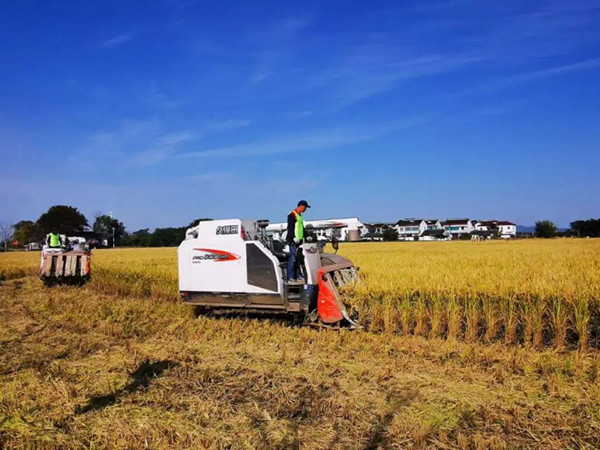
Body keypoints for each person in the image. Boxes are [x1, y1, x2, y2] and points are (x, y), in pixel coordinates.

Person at [286, 200, 310, 281]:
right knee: (293, 258)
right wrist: (293, 237)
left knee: (298, 259)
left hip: (299, 241)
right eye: (305, 207)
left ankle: (298, 275)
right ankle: (290, 277)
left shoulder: (300, 216)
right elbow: (290, 227)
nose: (305, 209)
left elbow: (301, 228)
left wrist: (306, 236)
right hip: (293, 240)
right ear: (301, 206)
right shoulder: (292, 214)